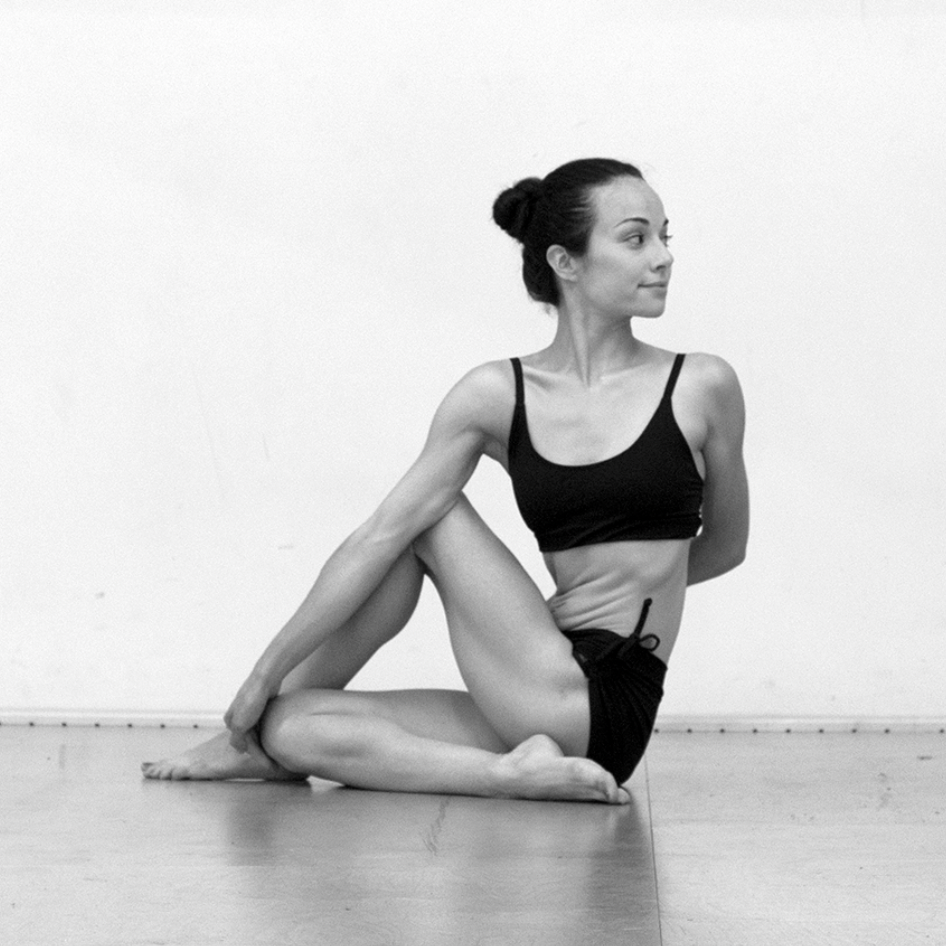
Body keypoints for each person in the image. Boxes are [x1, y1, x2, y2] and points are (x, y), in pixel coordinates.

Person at [142, 158, 749, 804]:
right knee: (292, 724)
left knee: (427, 515)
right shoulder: (495, 396)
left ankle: (247, 739)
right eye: (636, 238)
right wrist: (262, 680)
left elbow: (726, 546)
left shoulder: (701, 387)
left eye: (664, 237)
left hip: (602, 699)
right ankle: (506, 772)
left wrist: (629, 588)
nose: (662, 257)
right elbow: (376, 538)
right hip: (537, 678)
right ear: (565, 263)